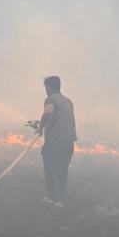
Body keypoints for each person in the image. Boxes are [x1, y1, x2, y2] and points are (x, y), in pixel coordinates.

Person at [38, 75, 77, 207]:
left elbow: (48, 112)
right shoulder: (68, 101)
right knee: (62, 170)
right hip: (69, 142)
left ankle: (51, 197)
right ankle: (59, 201)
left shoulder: (50, 99)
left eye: (45, 87)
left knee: (49, 168)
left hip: (55, 141)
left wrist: (40, 128)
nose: (45, 90)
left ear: (48, 87)